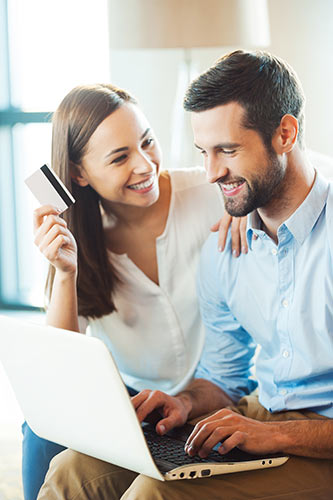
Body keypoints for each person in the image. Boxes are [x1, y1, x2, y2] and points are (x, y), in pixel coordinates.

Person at [37, 50, 333, 500]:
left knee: (154, 495)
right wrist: (186, 402)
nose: (212, 173)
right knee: (70, 472)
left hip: (316, 442)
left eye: (227, 151)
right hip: (253, 410)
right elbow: (223, 375)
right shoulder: (226, 245)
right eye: (204, 153)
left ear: (286, 134)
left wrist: (273, 436)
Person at [23, 83, 248, 500]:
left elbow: (309, 176)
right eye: (120, 157)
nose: (145, 165)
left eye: (147, 142)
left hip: (217, 387)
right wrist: (65, 273)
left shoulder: (211, 194)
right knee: (40, 431)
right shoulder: (78, 240)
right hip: (137, 398)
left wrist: (251, 205)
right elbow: (62, 370)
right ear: (78, 174)